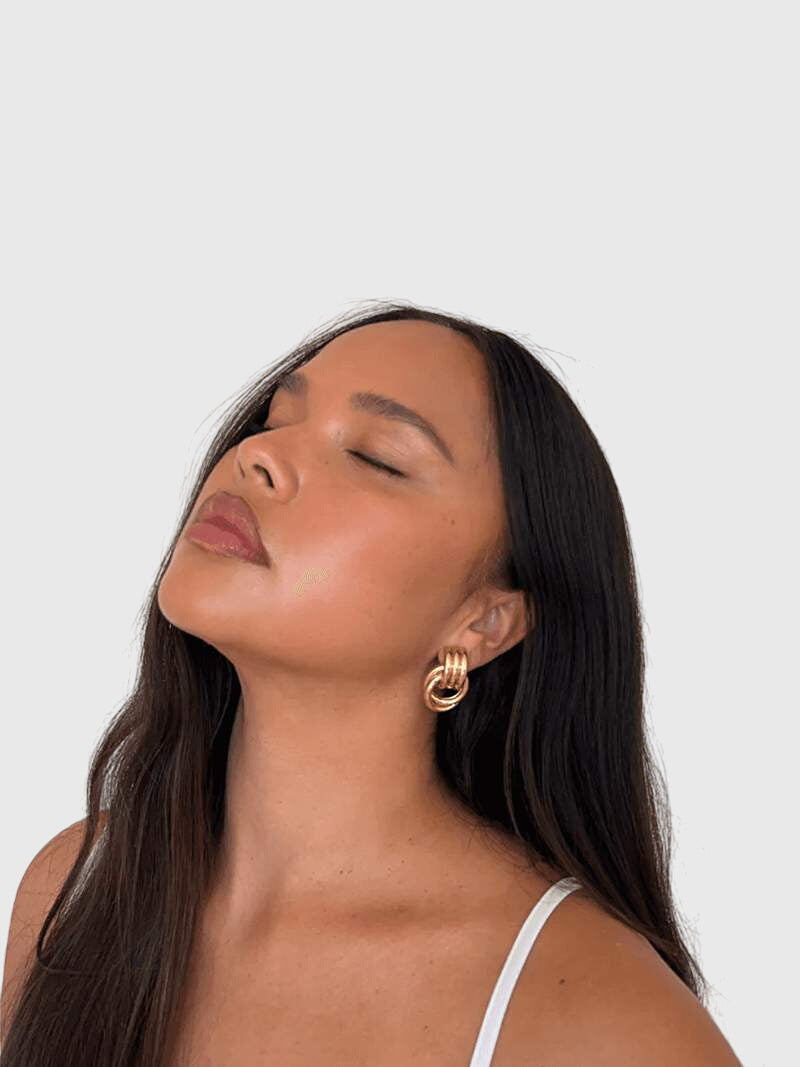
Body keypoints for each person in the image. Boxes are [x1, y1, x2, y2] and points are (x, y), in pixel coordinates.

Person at [0, 301, 743, 1065]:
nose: (260, 456)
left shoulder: (602, 1017)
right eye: (274, 418)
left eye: (376, 456)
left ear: (484, 622)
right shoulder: (76, 888)